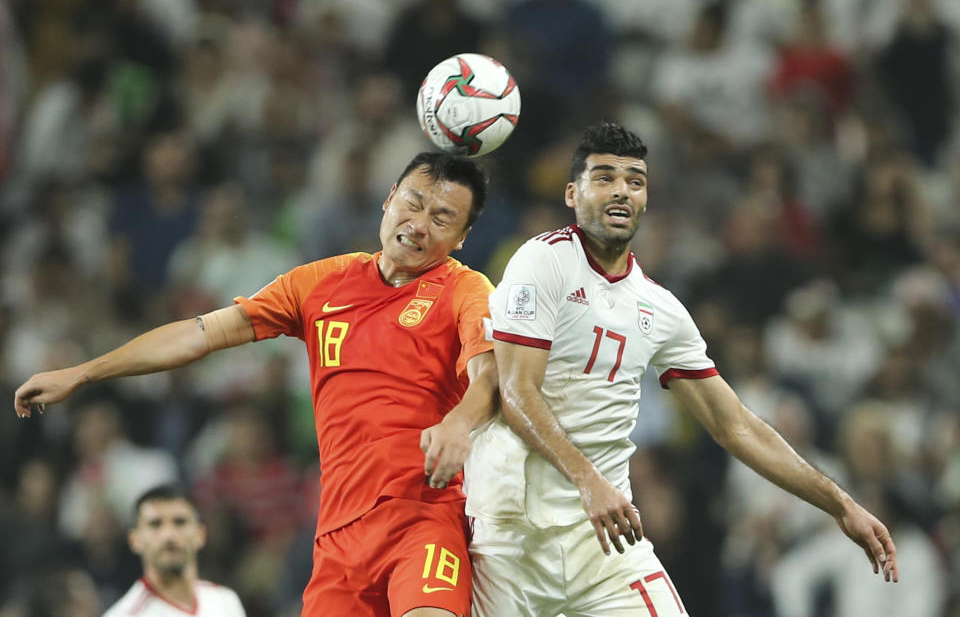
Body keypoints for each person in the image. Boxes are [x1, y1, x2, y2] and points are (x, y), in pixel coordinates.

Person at [15, 151, 499, 617]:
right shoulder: (321, 283)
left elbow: (492, 374)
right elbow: (198, 334)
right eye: (413, 203)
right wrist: (84, 371)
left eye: (442, 217)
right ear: (389, 198)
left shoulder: (465, 289)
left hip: (425, 517)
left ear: (462, 236)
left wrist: (459, 424)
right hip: (338, 539)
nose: (418, 224)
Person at [465, 122, 899, 617]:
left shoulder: (659, 307)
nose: (622, 190)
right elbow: (517, 392)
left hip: (603, 544)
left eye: (635, 180)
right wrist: (588, 479)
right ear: (572, 193)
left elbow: (735, 425)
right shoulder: (541, 263)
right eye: (604, 177)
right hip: (511, 535)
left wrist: (841, 505)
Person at [104, 484, 246, 616]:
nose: (169, 535)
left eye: (180, 522)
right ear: (135, 540)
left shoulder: (226, 601)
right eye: (155, 524)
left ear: (200, 534)